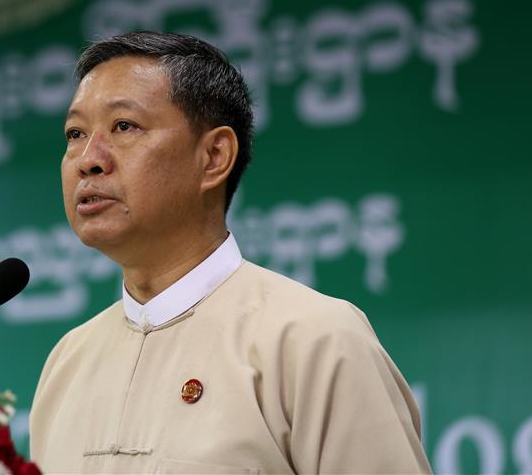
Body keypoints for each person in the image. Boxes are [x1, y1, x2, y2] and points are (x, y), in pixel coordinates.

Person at [29, 31, 431, 474]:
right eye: (74, 133)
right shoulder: (68, 361)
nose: (89, 158)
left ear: (215, 156)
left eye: (124, 126)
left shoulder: (313, 339)